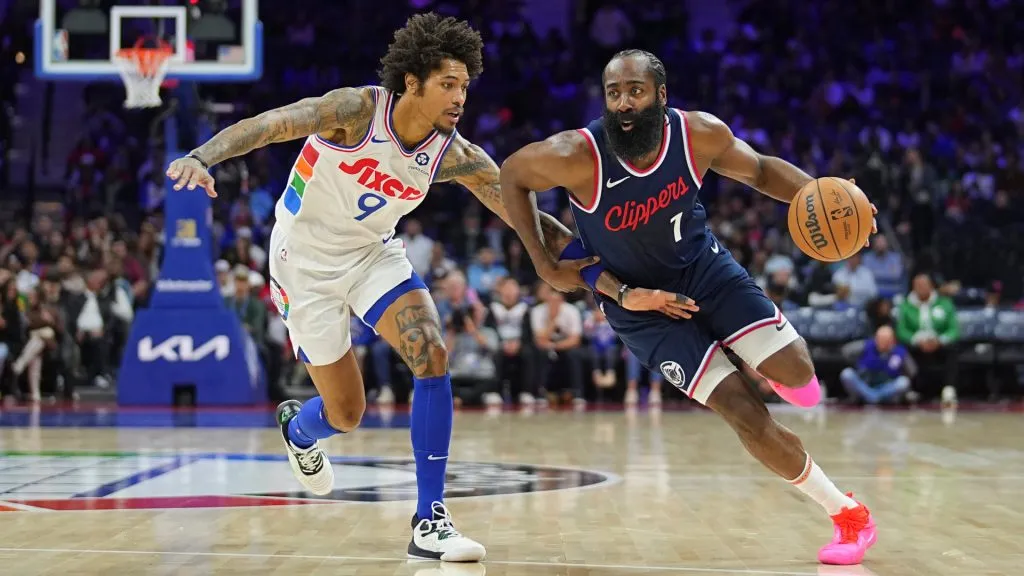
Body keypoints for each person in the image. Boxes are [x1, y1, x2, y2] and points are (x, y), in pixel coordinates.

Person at [165, 15, 684, 563]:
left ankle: (429, 520)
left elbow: (526, 220)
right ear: (411, 82)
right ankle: (300, 428)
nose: (460, 97)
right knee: (345, 413)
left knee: (431, 352)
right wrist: (202, 157)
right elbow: (271, 123)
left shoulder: (454, 153)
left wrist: (613, 273)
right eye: (448, 85)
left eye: (464, 86)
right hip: (304, 266)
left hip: (372, 255)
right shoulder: (355, 111)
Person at [499, 49, 880, 565]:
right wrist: (543, 263)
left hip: (705, 270)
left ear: (660, 94)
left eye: (635, 90)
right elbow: (511, 174)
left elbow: (763, 171)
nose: (624, 104)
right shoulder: (575, 154)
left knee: (800, 378)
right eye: (614, 93)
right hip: (641, 310)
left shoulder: (697, 133)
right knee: (745, 412)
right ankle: (847, 514)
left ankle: (760, 354)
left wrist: (828, 195)